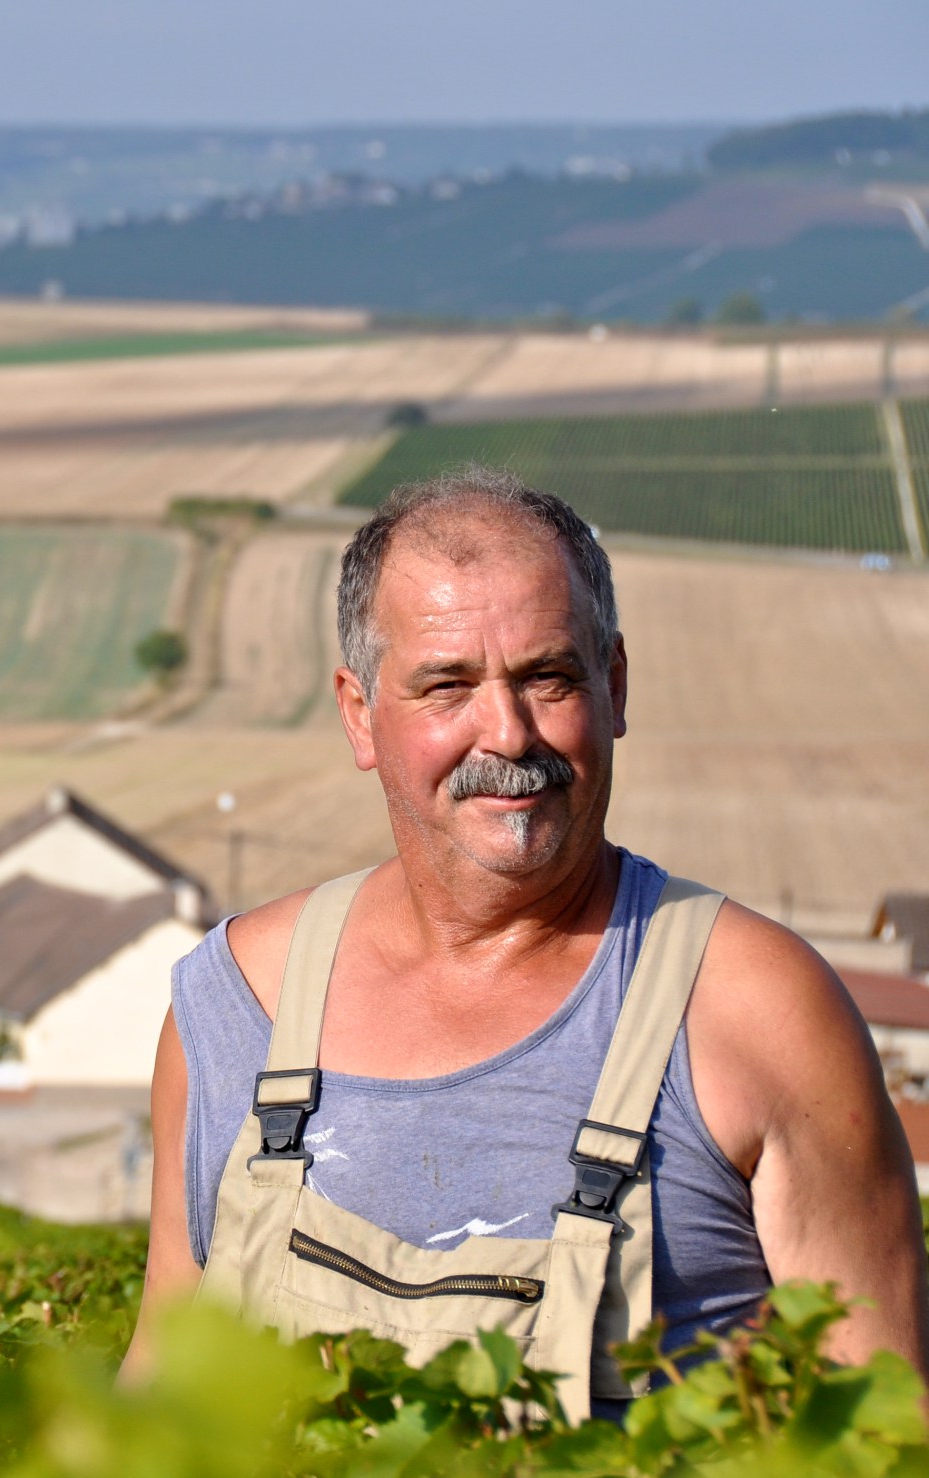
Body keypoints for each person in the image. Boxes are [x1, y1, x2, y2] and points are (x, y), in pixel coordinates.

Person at [124, 465, 928, 1419]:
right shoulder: (234, 1007)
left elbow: (883, 1441)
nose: (505, 732)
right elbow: (158, 1400)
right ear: (358, 714)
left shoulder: (758, 1008)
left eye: (548, 677)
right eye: (446, 686)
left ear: (615, 686)